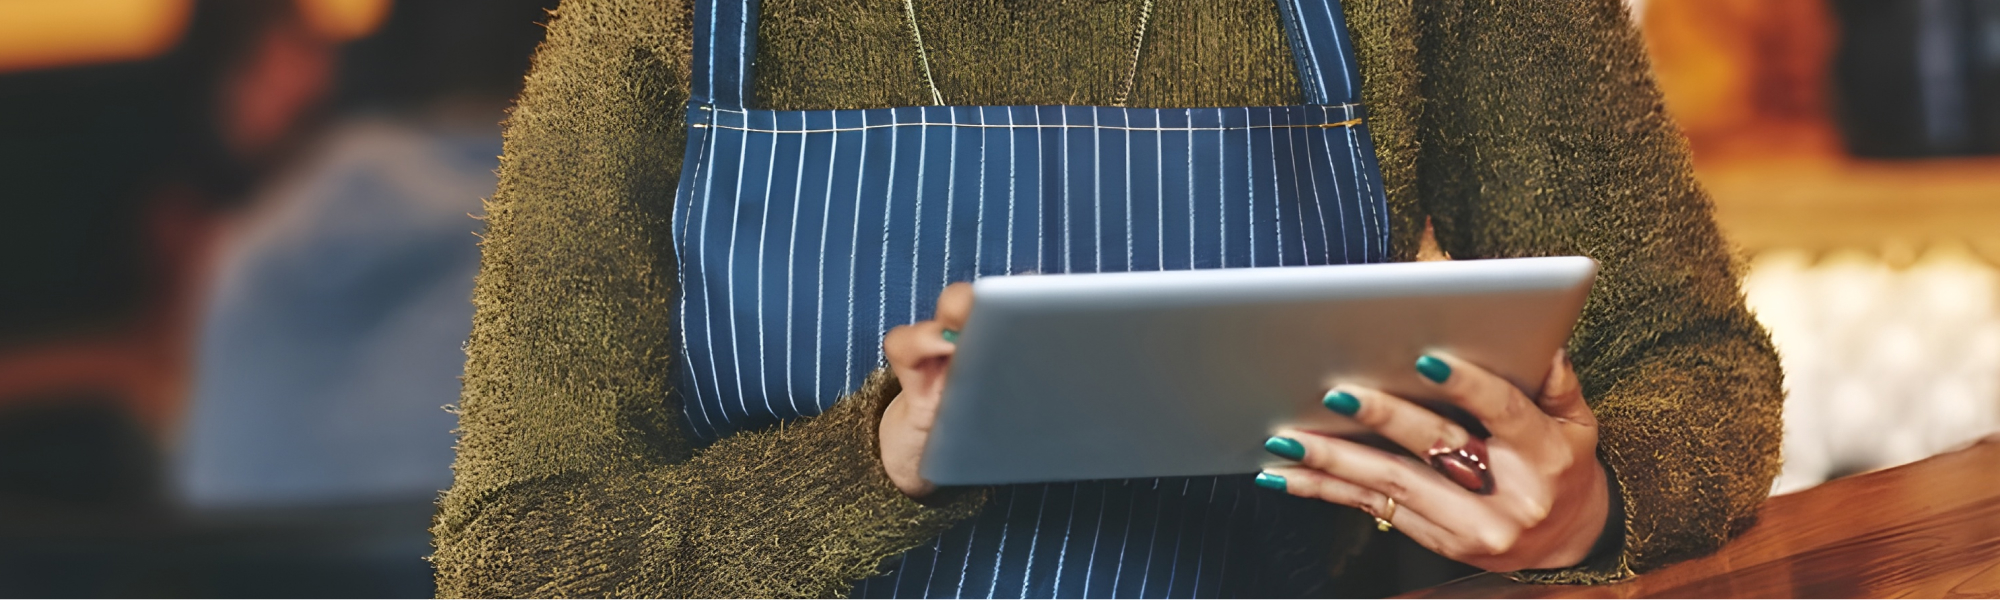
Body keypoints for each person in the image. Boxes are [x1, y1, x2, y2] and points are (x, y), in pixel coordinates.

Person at [430, 0, 1784, 597]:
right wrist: (878, 461)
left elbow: (1691, 361)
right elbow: (518, 559)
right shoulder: (656, 20)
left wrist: (1586, 508)